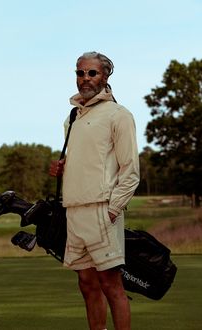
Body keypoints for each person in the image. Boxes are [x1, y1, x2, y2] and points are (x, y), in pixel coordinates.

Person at [49, 51, 140, 330]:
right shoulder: (73, 116)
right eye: (80, 73)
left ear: (105, 75)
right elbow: (89, 158)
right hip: (74, 209)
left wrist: (113, 209)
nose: (85, 79)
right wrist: (64, 168)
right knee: (87, 284)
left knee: (110, 284)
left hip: (102, 209)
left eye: (92, 73)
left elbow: (131, 171)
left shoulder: (118, 115)